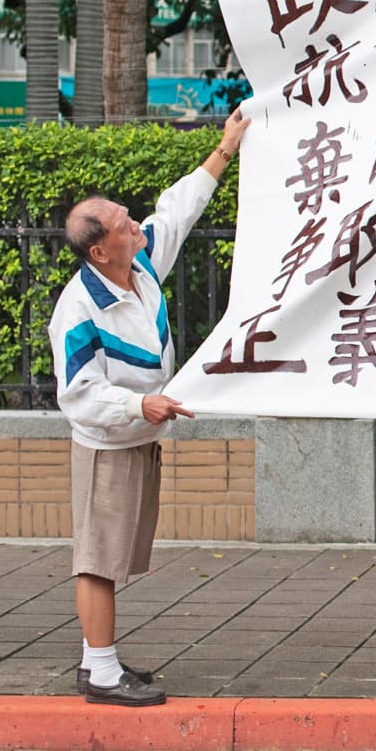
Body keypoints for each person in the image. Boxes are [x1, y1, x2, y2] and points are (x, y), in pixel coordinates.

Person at [50, 108, 250, 707]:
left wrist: (224, 150)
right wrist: (143, 404)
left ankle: (99, 659)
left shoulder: (137, 265)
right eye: (119, 223)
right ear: (97, 250)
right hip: (108, 445)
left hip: (138, 435)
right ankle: (102, 675)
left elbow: (177, 213)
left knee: (116, 557)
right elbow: (79, 392)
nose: (133, 224)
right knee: (98, 559)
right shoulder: (79, 309)